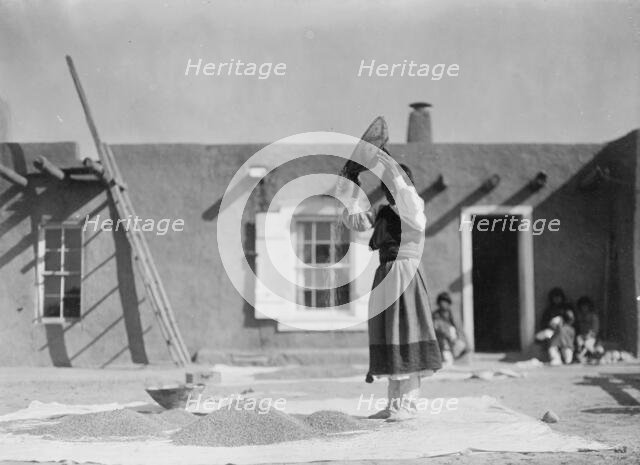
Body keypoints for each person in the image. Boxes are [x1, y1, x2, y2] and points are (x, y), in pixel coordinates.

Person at [341, 149, 442, 421]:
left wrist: (390, 167)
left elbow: (405, 194)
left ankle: (408, 406)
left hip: (404, 276)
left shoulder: (414, 209)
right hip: (385, 275)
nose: (388, 190)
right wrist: (353, 184)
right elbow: (356, 220)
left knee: (405, 334)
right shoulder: (384, 212)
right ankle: (394, 405)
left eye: (392, 185)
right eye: (384, 186)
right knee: (390, 336)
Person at [432, 292, 467, 366]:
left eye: (445, 302)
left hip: (453, 343)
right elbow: (436, 328)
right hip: (441, 343)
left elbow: (459, 330)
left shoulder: (452, 315)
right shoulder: (435, 316)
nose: (443, 304)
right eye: (441, 302)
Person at [575, 296, 604, 363]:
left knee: (587, 344)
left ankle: (596, 354)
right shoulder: (579, 316)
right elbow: (578, 329)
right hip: (581, 337)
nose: (584, 308)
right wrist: (581, 337)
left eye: (585, 306)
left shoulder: (593, 316)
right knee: (579, 343)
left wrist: (588, 336)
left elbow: (595, 330)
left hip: (592, 338)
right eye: (582, 306)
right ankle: (584, 356)